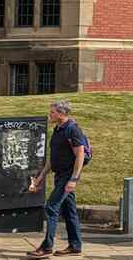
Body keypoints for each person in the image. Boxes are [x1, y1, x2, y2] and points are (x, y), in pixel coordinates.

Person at [27, 101, 87, 257]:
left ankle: (47, 247)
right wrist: (41, 176)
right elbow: (53, 158)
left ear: (61, 113)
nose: (50, 114)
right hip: (59, 175)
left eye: (52, 112)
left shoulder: (73, 130)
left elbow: (80, 155)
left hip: (68, 176)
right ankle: (75, 246)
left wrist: (73, 179)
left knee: (51, 207)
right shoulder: (58, 129)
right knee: (69, 211)